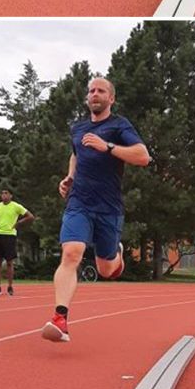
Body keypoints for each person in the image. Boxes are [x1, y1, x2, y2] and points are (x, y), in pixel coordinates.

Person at [42, 77, 150, 342]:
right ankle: (60, 318)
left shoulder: (119, 126)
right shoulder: (78, 129)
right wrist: (69, 177)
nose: (95, 94)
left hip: (108, 207)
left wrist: (108, 147)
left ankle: (117, 254)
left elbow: (143, 156)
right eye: (91, 91)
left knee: (106, 270)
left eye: (101, 91)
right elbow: (76, 154)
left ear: (110, 98)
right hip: (79, 202)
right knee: (71, 253)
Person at [0, 189, 34, 296]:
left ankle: (10, 287)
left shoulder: (16, 206)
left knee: (9, 262)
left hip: (10, 235)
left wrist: (18, 223)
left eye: (6, 193)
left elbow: (30, 216)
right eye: (2, 193)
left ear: (11, 195)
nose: (4, 195)